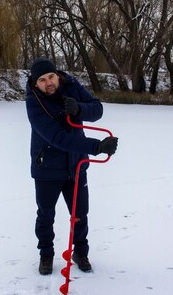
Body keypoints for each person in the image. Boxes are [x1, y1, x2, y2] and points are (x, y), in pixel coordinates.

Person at [25, 57, 118, 275]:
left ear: (57, 75)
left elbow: (97, 109)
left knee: (80, 213)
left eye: (51, 77)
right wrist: (97, 146)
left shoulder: (71, 85)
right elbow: (58, 138)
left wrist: (79, 109)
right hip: (47, 168)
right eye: (42, 80)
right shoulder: (34, 103)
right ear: (35, 83)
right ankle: (46, 255)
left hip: (76, 166)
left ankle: (80, 252)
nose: (49, 83)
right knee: (46, 215)